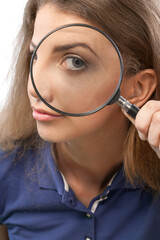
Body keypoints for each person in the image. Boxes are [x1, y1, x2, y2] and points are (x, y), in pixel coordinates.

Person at [0, 0, 160, 239]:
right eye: (35, 55)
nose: (36, 89)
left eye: (75, 61)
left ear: (137, 88)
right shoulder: (5, 172)